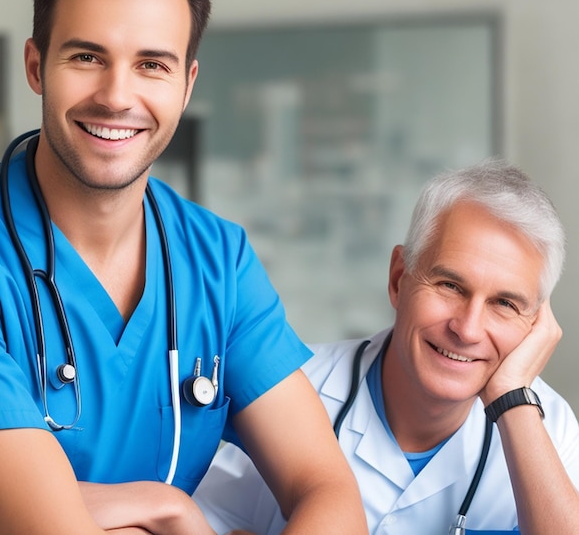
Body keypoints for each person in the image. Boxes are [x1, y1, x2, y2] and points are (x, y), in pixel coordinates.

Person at [0, 0, 368, 535]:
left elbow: (328, 490)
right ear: (36, 66)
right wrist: (169, 506)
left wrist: (166, 512)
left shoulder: (217, 259)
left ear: (186, 84)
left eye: (152, 64)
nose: (118, 96)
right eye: (88, 57)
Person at [193, 158, 579, 534]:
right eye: (450, 286)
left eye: (505, 305)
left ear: (536, 325)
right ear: (399, 279)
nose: (467, 329)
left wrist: (513, 403)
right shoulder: (288, 392)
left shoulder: (546, 427)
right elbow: (196, 522)